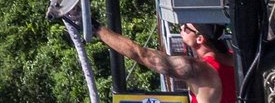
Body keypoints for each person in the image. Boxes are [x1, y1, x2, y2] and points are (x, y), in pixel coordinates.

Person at [93, 20, 236, 103]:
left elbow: (143, 55)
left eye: (186, 28)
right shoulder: (237, 59)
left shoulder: (199, 69)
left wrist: (96, 29)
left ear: (200, 39)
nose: (181, 28)